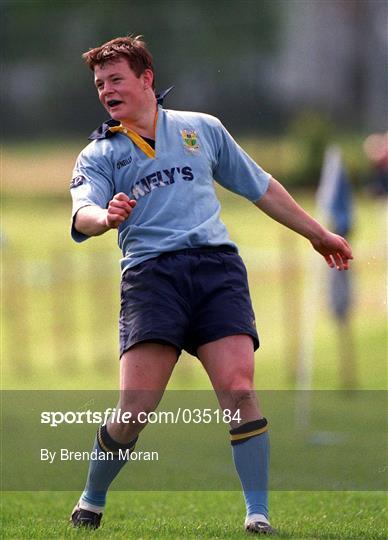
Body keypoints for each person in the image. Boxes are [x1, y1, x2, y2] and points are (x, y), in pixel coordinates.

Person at [69, 36, 353, 535]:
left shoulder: (203, 129)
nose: (106, 90)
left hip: (216, 269)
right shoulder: (100, 151)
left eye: (116, 79)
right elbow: (82, 213)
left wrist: (318, 233)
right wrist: (105, 216)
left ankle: (258, 514)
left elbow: (260, 185)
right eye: (99, 84)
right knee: (134, 410)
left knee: (240, 388)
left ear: (146, 79)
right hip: (151, 277)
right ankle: (92, 498)